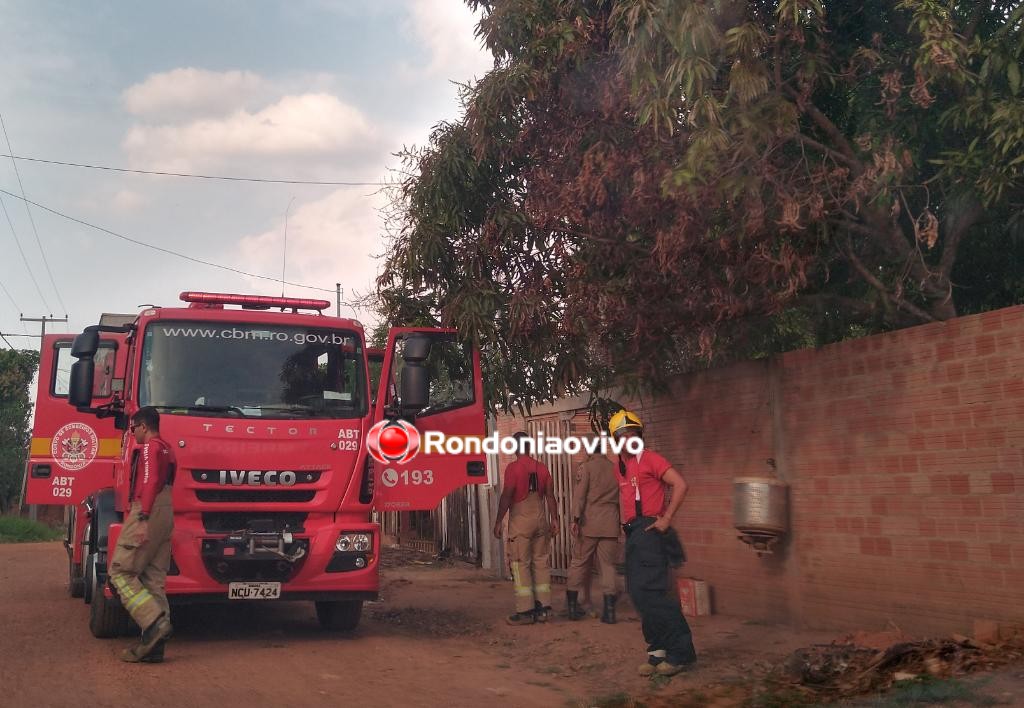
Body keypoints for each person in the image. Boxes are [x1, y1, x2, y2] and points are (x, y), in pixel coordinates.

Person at [610, 409, 697, 677]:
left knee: (653, 594)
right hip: (634, 534)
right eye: (624, 435)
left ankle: (681, 653)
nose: (630, 439)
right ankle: (657, 652)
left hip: (650, 531)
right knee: (638, 593)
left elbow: (680, 484)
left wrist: (667, 517)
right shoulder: (620, 467)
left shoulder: (650, 459)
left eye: (634, 434)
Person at [109, 406, 176, 663]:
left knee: (121, 573)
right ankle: (155, 646)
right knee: (153, 578)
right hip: (167, 510)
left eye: (134, 428)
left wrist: (143, 517)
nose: (133, 432)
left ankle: (153, 623)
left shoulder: (150, 448)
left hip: (148, 507)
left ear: (144, 427)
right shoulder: (169, 449)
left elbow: (149, 480)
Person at [493, 431, 559, 625]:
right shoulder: (542, 468)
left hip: (521, 521)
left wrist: (499, 521)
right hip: (540, 518)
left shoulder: (513, 469)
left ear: (514, 448)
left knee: (520, 564)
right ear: (530, 447)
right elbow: (550, 496)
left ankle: (525, 611)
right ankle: (544, 608)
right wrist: (554, 519)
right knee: (541, 562)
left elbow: (506, 496)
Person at [566, 447, 621, 624]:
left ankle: (573, 608)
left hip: (590, 523)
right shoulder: (615, 468)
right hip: (611, 523)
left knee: (579, 563)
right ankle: (610, 612)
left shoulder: (587, 468)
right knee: (608, 567)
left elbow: (580, 496)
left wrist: (575, 519)